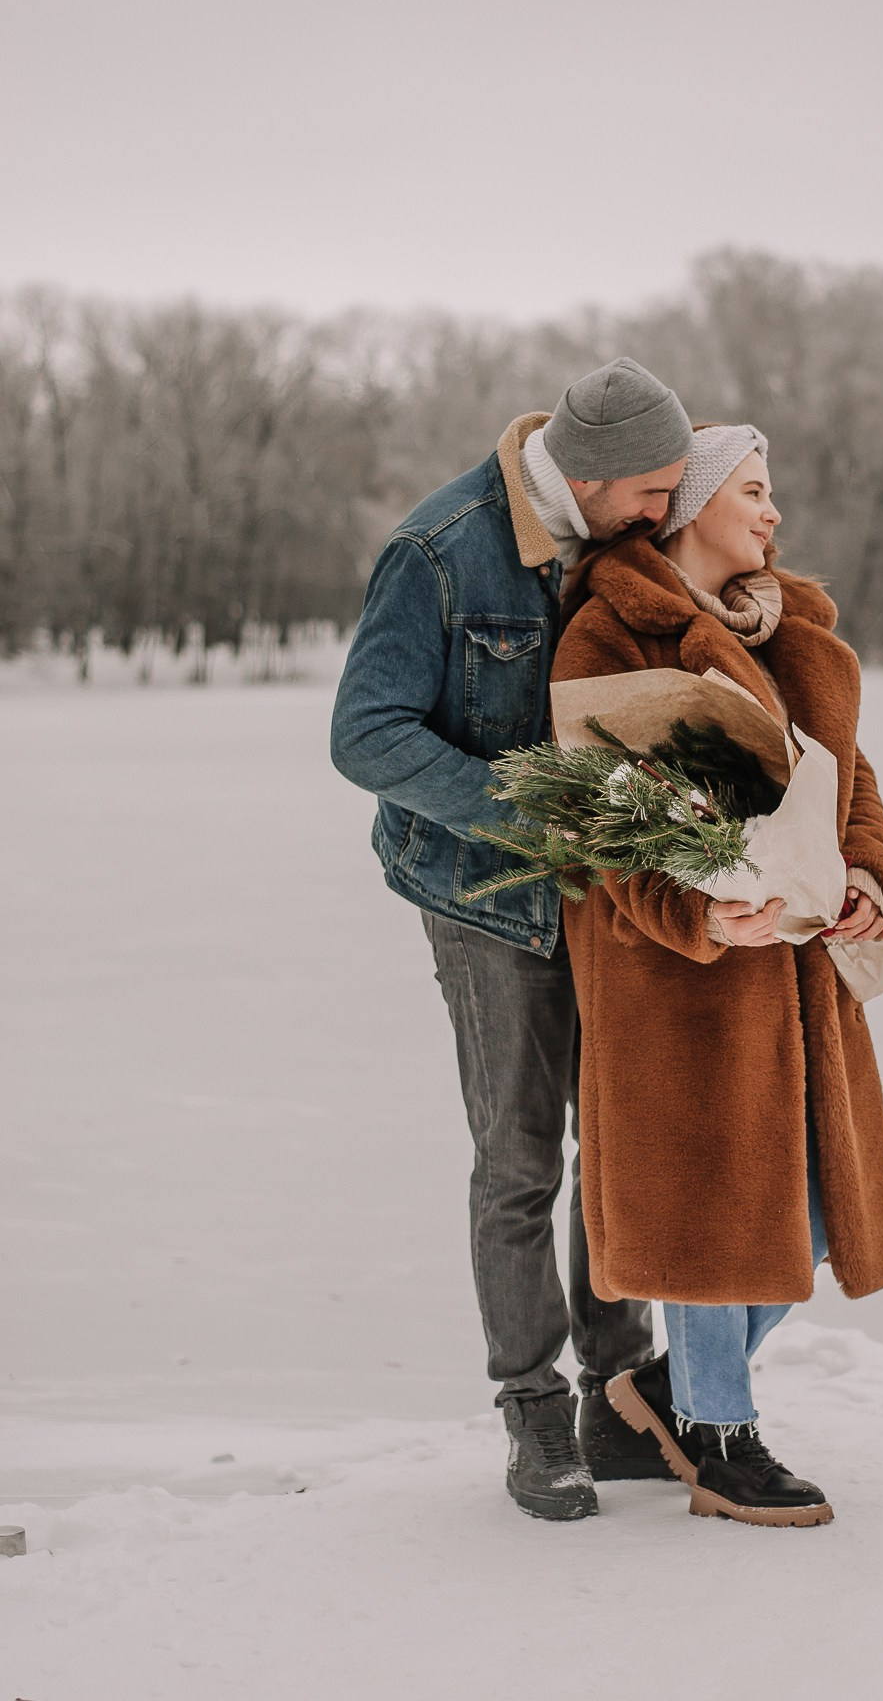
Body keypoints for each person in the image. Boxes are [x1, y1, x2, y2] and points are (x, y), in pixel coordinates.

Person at [330, 359, 693, 1520]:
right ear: (584, 478)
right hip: (483, 901)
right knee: (519, 1160)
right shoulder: (439, 552)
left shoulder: (617, 539)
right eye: (648, 491)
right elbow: (365, 734)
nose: (662, 513)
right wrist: (530, 805)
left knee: (618, 1148)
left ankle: (620, 1391)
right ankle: (533, 1408)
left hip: (604, 903)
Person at [552, 423, 883, 1528]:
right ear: (691, 504)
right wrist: (701, 914)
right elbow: (599, 830)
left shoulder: (790, 633)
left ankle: (666, 1389)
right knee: (713, 1205)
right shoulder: (608, 642)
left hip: (796, 968)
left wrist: (865, 875)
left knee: (799, 1215)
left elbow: (855, 784)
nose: (772, 512)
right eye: (751, 491)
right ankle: (717, 1432)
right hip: (675, 978)